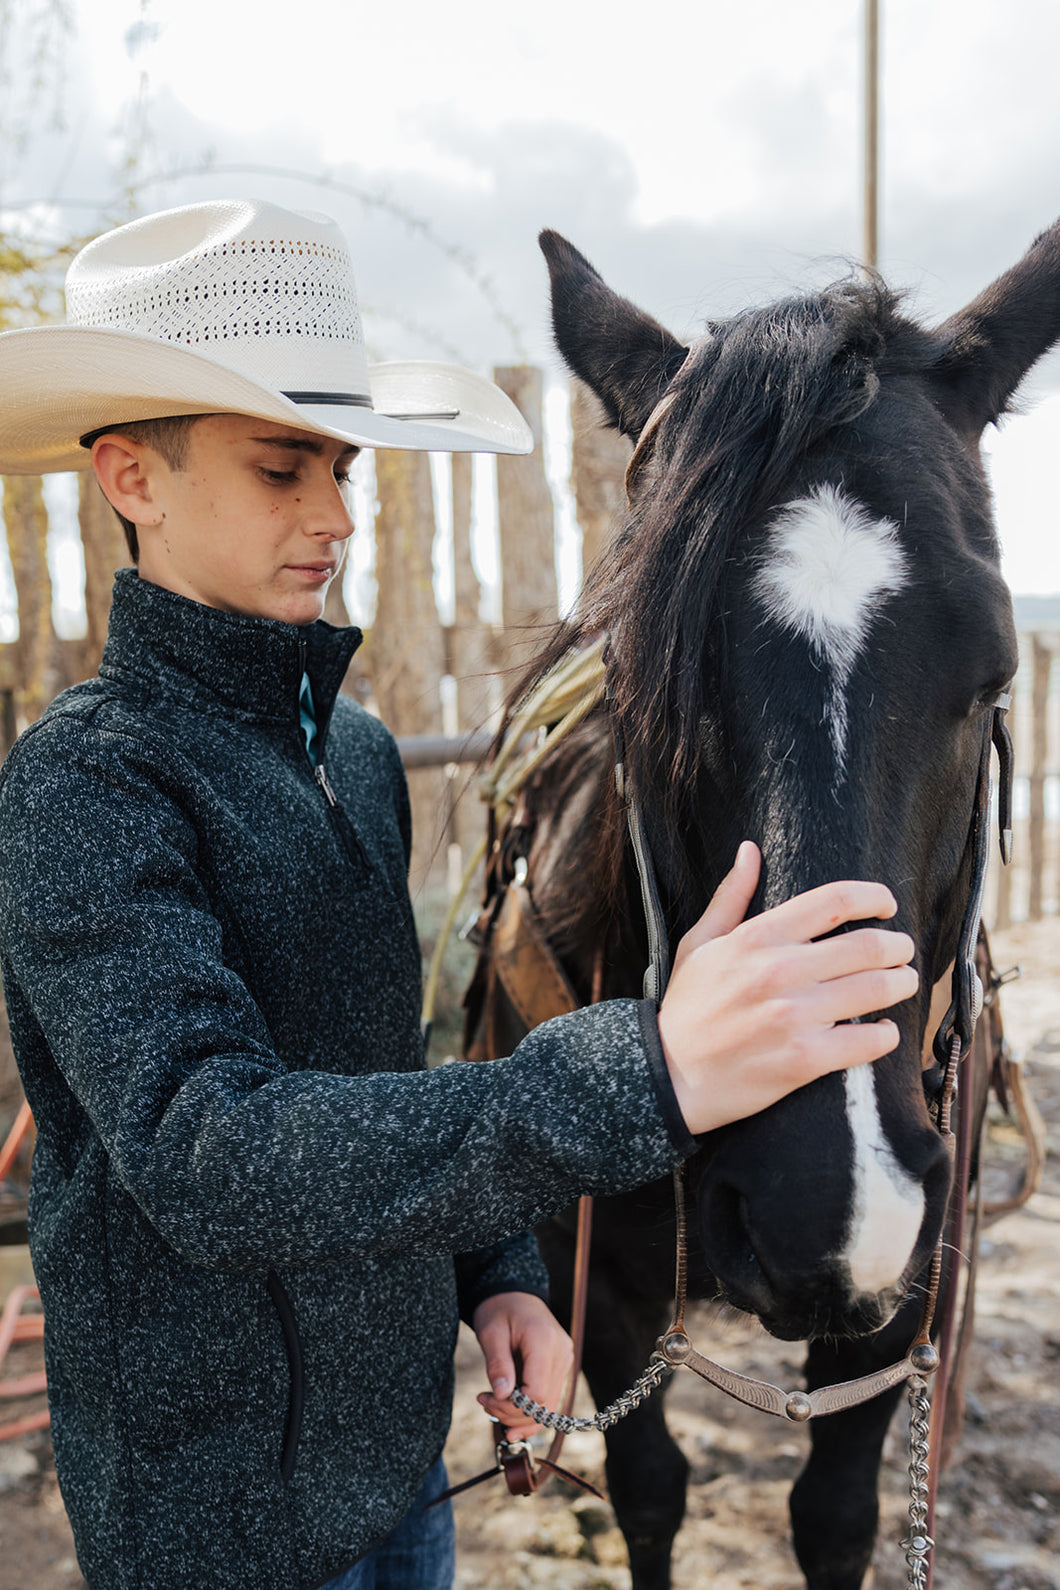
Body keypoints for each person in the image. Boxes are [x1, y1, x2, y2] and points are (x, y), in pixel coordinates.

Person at [0, 199, 917, 1590]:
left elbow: (385, 1067)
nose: (335, 517)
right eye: (281, 468)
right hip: (210, 1529)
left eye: (345, 468)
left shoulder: (355, 753)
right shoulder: (83, 785)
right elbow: (211, 1155)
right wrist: (650, 1067)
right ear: (133, 475)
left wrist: (496, 1268)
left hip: (404, 1481)